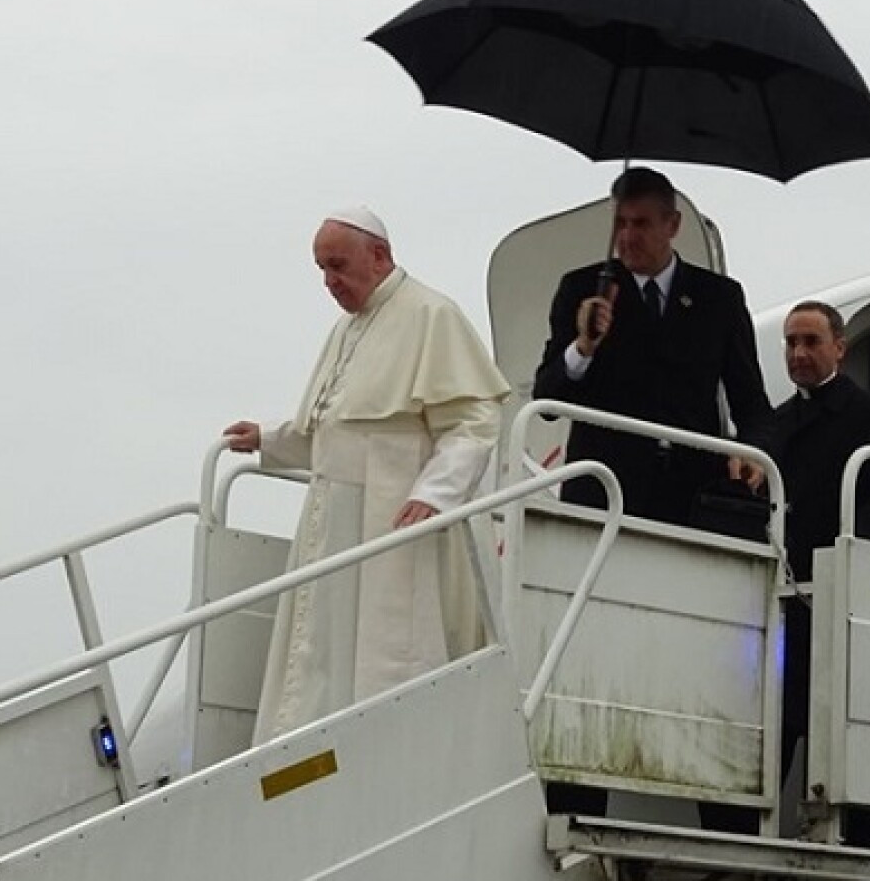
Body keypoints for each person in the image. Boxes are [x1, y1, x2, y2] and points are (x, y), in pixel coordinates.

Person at [223, 207, 510, 742]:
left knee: (390, 654)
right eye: (321, 269)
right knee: (322, 659)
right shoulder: (345, 330)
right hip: (332, 525)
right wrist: (266, 438)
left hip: (394, 519)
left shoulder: (431, 315)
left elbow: (474, 421)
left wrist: (435, 493)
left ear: (378, 256)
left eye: (338, 265)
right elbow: (332, 428)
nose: (329, 282)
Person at [700, 301, 870, 834]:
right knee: (764, 724)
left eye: (811, 342)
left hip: (832, 597)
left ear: (839, 347)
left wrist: (843, 551)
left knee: (820, 728)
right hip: (779, 597)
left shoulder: (869, 416)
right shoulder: (774, 424)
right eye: (791, 342)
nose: (799, 353)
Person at [531, 166, 772, 527]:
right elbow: (547, 398)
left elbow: (750, 400)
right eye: (620, 224)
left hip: (691, 499)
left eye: (640, 224)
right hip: (604, 493)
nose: (627, 237)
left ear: (672, 225)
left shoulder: (719, 298)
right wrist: (583, 347)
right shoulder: (582, 289)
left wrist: (754, 451)